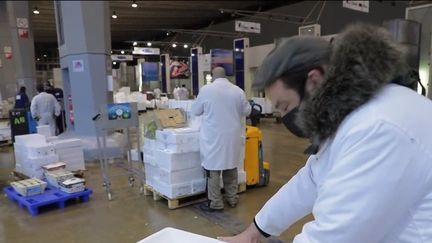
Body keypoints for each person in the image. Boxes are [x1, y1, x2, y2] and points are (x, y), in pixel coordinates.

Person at [219, 24, 432, 242]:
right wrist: (254, 232)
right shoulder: (353, 113)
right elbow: (310, 180)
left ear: (314, 80)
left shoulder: (377, 126)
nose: (284, 117)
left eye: (284, 106)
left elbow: (335, 235)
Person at [192, 67, 251, 212]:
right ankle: (232, 198)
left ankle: (216, 203)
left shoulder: (206, 90)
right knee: (231, 167)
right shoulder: (238, 90)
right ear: (226, 76)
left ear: (212, 76)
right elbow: (247, 111)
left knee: (213, 170)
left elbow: (195, 111)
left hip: (213, 137)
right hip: (232, 136)